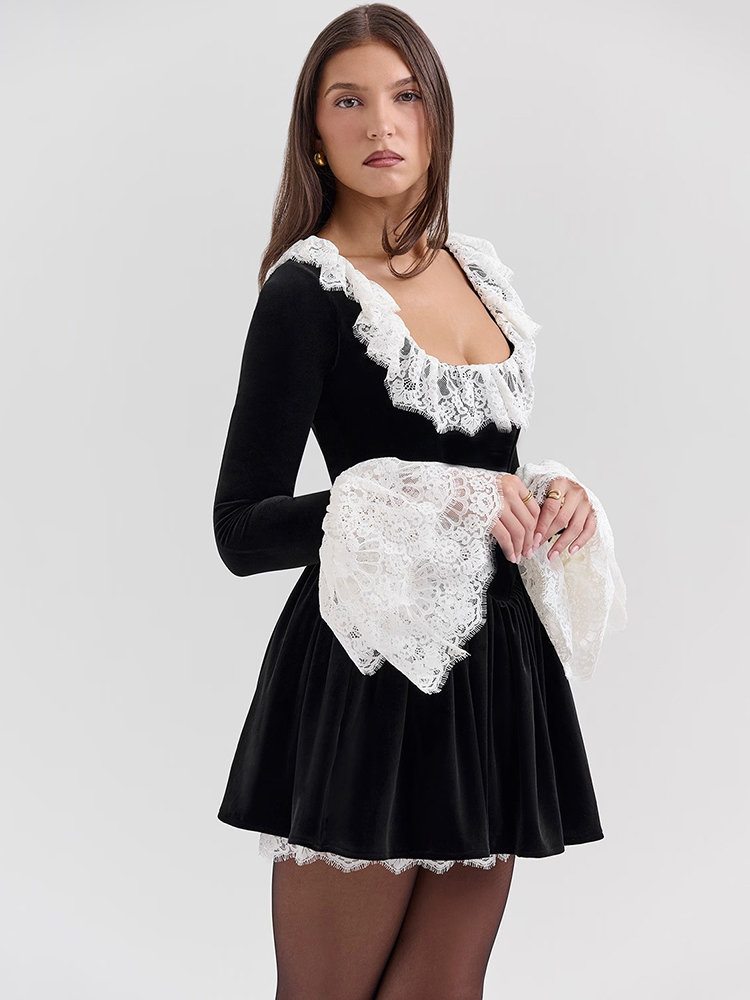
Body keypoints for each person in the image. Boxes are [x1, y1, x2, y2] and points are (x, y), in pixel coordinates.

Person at [212, 5, 626, 999]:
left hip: (497, 670)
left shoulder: (477, 271)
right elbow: (242, 528)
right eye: (348, 101)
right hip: (372, 668)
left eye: (404, 97)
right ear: (315, 130)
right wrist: (432, 495)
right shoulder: (307, 290)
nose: (380, 124)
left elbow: (487, 475)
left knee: (447, 986)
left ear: (437, 117)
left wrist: (551, 495)